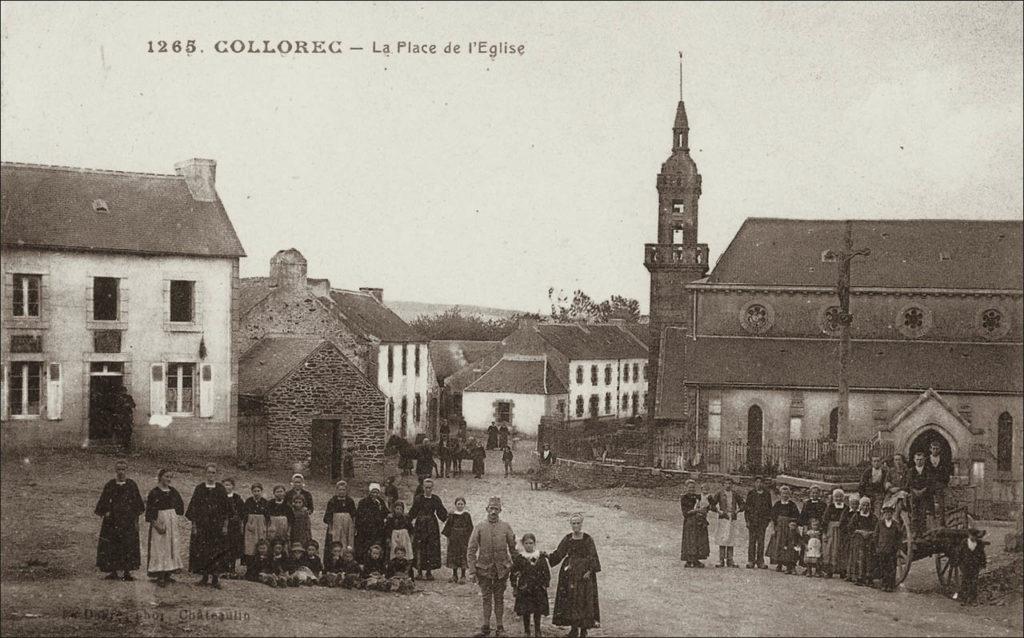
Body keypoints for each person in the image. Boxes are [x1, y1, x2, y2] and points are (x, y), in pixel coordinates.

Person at [467, 496, 517, 638]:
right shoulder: (479, 527)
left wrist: (516, 568)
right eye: (491, 509)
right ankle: (486, 626)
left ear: (500, 510)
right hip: (484, 569)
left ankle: (500, 627)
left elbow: (513, 549)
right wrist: (472, 571)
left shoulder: (506, 527)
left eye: (496, 509)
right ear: (486, 509)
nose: (493, 512)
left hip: (501, 569)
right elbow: (471, 550)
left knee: (499, 597)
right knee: (486, 598)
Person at [549, 513, 601, 638]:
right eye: (574, 523)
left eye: (578, 523)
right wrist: (546, 556)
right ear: (571, 525)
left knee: (583, 601)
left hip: (584, 575)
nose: (576, 525)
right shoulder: (568, 538)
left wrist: (589, 571)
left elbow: (593, 556)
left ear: (581, 524)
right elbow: (559, 553)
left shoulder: (588, 539)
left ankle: (583, 630)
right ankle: (573, 630)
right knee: (571, 600)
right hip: (570, 574)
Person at [95, 459, 145, 581]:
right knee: (111, 545)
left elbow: (137, 504)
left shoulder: (132, 485)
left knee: (128, 545)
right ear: (115, 470)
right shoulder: (110, 485)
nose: (121, 472)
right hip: (112, 522)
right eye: (118, 469)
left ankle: (127, 572)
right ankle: (113, 571)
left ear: (126, 470)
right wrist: (105, 511)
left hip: (127, 521)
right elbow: (103, 501)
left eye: (123, 469)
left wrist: (136, 521)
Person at [185, 463, 232, 588]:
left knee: (217, 550)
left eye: (213, 473)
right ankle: (204, 577)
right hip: (202, 526)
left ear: (216, 474)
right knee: (203, 550)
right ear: (205, 473)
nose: (211, 475)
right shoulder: (200, 488)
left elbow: (227, 510)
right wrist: (194, 526)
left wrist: (225, 526)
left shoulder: (221, 489)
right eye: (209, 472)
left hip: (217, 526)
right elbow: (193, 509)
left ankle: (216, 578)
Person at [145, 468, 185, 587]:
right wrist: (156, 524)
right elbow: (150, 512)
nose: (168, 479)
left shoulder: (173, 491)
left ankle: (168, 573)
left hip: (171, 523)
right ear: (160, 477)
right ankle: (160, 574)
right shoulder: (154, 492)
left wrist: (173, 518)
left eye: (170, 477)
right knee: (160, 547)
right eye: (166, 476)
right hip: (160, 521)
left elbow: (180, 507)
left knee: (171, 547)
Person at [511, 533, 550, 637]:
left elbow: (546, 571)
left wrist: (545, 584)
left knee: (538, 610)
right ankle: (527, 631)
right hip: (525, 587)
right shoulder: (520, 558)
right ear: (523, 544)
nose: (529, 545)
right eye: (526, 543)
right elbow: (513, 572)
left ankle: (538, 630)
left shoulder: (540, 557)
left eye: (531, 543)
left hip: (538, 587)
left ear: (534, 543)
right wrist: (514, 586)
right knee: (526, 610)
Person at [409, 478, 448, 580]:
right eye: (426, 488)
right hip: (420, 525)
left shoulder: (435, 499)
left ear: (432, 488)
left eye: (430, 488)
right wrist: (407, 519)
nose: (428, 490)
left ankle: (429, 572)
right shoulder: (418, 498)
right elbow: (413, 511)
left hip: (431, 526)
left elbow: (441, 512)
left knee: (431, 548)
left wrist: (449, 517)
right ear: (423, 487)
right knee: (419, 547)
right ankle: (419, 571)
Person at [711, 478, 743, 568]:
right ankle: (721, 560)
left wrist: (736, 511)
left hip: (732, 518)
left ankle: (730, 560)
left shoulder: (735, 494)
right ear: (723, 484)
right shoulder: (719, 493)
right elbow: (712, 505)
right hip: (723, 518)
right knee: (722, 538)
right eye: (726, 483)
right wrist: (719, 511)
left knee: (731, 538)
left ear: (732, 485)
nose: (728, 485)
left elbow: (743, 504)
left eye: (730, 483)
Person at [767, 485, 801, 570]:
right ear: (780, 494)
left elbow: (796, 517)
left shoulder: (792, 505)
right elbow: (773, 517)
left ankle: (789, 564)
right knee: (779, 545)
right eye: (783, 493)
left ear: (789, 494)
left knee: (790, 545)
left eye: (787, 493)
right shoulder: (778, 504)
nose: (785, 495)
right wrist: (773, 529)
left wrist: (793, 525)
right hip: (780, 528)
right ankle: (779, 564)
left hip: (789, 528)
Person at [846, 496, 877, 586]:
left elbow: (877, 528)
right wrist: (860, 531)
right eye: (863, 505)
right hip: (858, 538)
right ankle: (858, 577)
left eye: (867, 505)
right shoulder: (857, 516)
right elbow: (850, 527)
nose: (865, 507)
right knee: (859, 556)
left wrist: (870, 533)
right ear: (860, 506)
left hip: (869, 539)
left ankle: (869, 578)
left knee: (869, 557)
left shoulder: (873, 517)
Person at [679, 479, 711, 567]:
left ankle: (696, 559)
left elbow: (707, 503)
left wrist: (705, 509)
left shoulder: (698, 497)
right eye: (690, 487)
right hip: (690, 521)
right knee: (690, 540)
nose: (691, 489)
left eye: (693, 487)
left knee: (698, 540)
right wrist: (696, 510)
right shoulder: (684, 498)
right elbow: (685, 513)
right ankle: (689, 560)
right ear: (686, 488)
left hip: (698, 521)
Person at [355, 483, 389, 561]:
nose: (375, 494)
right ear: (370, 492)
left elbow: (386, 513)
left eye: (376, 492)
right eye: (373, 492)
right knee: (365, 546)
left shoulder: (380, 502)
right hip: (366, 529)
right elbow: (359, 516)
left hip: (377, 529)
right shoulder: (363, 502)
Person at [443, 496, 474, 583]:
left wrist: (468, 537)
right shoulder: (452, 515)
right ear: (455, 505)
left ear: (464, 505)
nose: (460, 505)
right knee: (454, 556)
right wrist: (449, 537)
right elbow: (448, 527)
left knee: (463, 555)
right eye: (458, 504)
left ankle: (463, 576)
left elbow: (470, 527)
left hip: (463, 540)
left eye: (461, 504)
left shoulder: (467, 515)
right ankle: (454, 575)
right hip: (454, 539)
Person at [744, 476, 772, 569]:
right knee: (752, 541)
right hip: (752, 521)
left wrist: (767, 521)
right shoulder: (751, 493)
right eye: (757, 482)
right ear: (754, 483)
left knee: (761, 542)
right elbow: (746, 508)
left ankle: (760, 561)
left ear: (763, 483)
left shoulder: (767, 494)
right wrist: (747, 520)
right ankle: (751, 560)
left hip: (762, 522)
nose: (759, 484)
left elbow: (769, 508)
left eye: (760, 482)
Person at [323, 480, 357, 556]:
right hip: (336, 525)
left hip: (347, 525)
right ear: (337, 490)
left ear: (346, 490)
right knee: (335, 541)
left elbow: (354, 515)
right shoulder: (332, 501)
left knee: (347, 543)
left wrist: (354, 526)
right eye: (340, 489)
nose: (342, 491)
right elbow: (328, 516)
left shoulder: (350, 501)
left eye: (343, 490)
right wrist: (331, 527)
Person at [874, 504, 901, 592]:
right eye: (886, 513)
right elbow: (876, 536)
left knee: (892, 568)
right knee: (883, 567)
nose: (888, 515)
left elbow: (899, 537)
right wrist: (877, 547)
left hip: (892, 550)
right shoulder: (880, 523)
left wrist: (897, 548)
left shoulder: (895, 524)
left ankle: (890, 585)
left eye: (889, 513)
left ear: (892, 514)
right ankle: (884, 584)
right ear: (883, 514)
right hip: (882, 549)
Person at [820, 488, 847, 577]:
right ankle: (829, 571)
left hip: (841, 531)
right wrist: (824, 533)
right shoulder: (830, 507)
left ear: (843, 497)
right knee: (830, 550)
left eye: (840, 497)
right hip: (831, 531)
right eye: (836, 497)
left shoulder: (846, 508)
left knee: (841, 549)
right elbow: (825, 520)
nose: (838, 499)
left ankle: (841, 571)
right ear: (833, 497)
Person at [242, 483, 269, 568]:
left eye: (258, 491)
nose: (256, 493)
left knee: (260, 543)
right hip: (251, 525)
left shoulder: (265, 502)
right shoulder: (249, 501)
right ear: (252, 492)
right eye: (254, 491)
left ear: (261, 491)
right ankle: (249, 566)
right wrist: (247, 525)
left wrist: (265, 526)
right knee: (250, 545)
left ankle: (260, 566)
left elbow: (267, 516)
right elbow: (245, 514)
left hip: (261, 525)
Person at [926, 441, 952, 527]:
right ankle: (931, 521)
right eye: (933, 448)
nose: (935, 450)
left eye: (937, 449)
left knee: (941, 503)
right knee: (929, 504)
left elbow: (946, 473)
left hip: (939, 485)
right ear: (930, 449)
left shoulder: (943, 460)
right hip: (929, 485)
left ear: (939, 449)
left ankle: (942, 522)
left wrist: (943, 482)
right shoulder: (926, 460)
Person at [222, 478, 245, 576]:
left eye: (228, 485)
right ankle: (223, 567)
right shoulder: (220, 497)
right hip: (222, 525)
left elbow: (242, 512)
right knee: (224, 545)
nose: (226, 487)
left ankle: (232, 567)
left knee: (233, 545)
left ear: (233, 486)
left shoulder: (237, 498)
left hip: (234, 526)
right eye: (224, 485)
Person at [958, 528, 987, 605]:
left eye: (975, 536)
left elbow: (982, 554)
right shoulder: (964, 542)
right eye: (972, 536)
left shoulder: (979, 543)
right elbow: (959, 554)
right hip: (965, 565)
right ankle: (963, 599)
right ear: (969, 535)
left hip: (975, 565)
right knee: (965, 581)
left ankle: (973, 600)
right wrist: (960, 564)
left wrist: (983, 564)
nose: (973, 537)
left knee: (974, 582)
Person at [907, 452, 931, 536]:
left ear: (924, 460)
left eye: (921, 460)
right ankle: (914, 531)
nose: (919, 461)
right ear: (914, 460)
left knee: (923, 513)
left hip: (924, 494)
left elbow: (929, 483)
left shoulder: (927, 470)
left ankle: (922, 532)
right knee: (914, 513)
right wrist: (915, 491)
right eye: (917, 460)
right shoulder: (911, 471)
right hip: (914, 494)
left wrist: (922, 491)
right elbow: (910, 483)